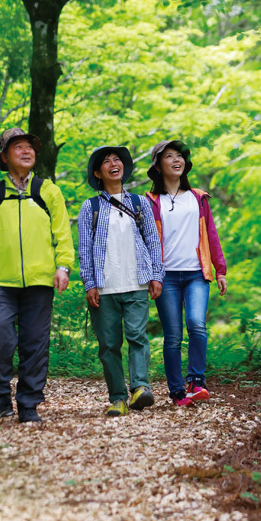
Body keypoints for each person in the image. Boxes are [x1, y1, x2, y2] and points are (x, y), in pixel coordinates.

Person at [0, 127, 75, 423]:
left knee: (35, 343)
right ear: (4, 156)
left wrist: (63, 267)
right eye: (18, 147)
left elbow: (62, 234)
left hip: (40, 282)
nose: (27, 151)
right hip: (0, 281)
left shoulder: (48, 191)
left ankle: (28, 403)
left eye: (30, 146)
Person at [77, 145, 164, 417]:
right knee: (109, 345)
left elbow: (153, 240)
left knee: (138, 337)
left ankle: (140, 388)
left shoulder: (140, 203)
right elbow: (84, 249)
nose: (114, 163)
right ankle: (117, 398)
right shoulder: (89, 207)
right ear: (97, 173)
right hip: (104, 288)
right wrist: (89, 283)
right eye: (107, 161)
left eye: (117, 160)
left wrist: (156, 275)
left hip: (137, 283)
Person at [146, 139, 227, 407]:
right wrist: (151, 276)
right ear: (158, 165)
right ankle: (177, 391)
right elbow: (145, 241)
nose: (176, 160)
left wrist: (220, 270)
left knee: (197, 324)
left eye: (180, 156)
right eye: (169, 156)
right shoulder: (150, 201)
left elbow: (211, 235)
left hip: (196, 273)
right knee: (172, 336)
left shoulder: (198, 198)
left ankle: (196, 381)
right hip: (166, 276)